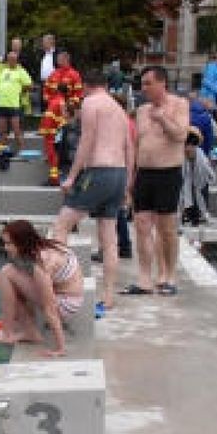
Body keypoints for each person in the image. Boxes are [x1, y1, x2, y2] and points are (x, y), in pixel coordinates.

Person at [50, 69, 134, 309]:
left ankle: (65, 288)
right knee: (109, 238)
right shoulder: (119, 109)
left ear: (85, 86)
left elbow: (87, 140)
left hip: (97, 171)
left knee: (62, 225)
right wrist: (128, 184)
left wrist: (72, 177)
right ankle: (108, 297)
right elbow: (129, 147)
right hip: (118, 173)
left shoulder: (90, 103)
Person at [123, 65, 188, 296]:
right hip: (144, 173)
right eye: (142, 84)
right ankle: (144, 279)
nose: (144, 88)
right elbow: (137, 146)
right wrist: (131, 178)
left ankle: (168, 276)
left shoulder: (179, 105)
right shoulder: (141, 111)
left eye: (148, 83)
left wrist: (162, 119)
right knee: (141, 225)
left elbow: (181, 135)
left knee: (166, 228)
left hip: (168, 172)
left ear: (162, 83)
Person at [0, 219, 83, 357]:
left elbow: (50, 308)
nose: (5, 248)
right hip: (68, 295)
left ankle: (7, 332)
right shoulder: (44, 246)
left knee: (6, 274)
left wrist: (60, 348)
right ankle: (29, 332)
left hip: (66, 303)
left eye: (9, 243)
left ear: (22, 242)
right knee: (11, 273)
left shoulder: (42, 263)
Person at [0, 51, 32, 153]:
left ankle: (22, 151)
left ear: (16, 60)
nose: (11, 61)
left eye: (14, 59)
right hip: (1, 104)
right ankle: (2, 152)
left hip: (14, 105)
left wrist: (20, 91)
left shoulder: (21, 71)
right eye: (10, 59)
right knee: (2, 131)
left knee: (16, 131)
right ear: (7, 60)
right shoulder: (3, 70)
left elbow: (29, 84)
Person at [180, 127, 215, 226]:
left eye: (191, 145)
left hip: (198, 180)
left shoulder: (200, 156)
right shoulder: (181, 157)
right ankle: (187, 215)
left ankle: (196, 215)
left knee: (196, 194)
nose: (188, 148)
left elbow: (207, 170)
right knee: (184, 193)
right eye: (187, 145)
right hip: (186, 179)